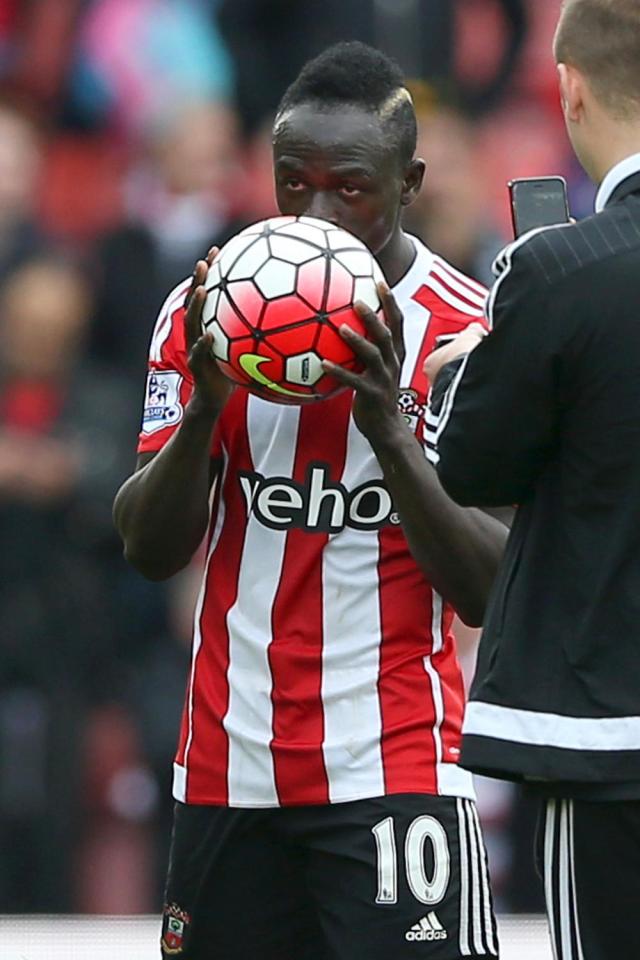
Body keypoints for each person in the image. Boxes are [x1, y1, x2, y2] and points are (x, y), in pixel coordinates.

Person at [114, 42, 508, 960]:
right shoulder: (203, 311)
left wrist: (390, 434)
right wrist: (207, 408)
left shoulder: (469, 332)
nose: (320, 214)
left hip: (396, 767)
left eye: (352, 189)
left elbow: (494, 585)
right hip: (226, 768)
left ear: (409, 182)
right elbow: (146, 546)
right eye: (295, 185)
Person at [424, 2, 640, 958]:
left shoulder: (558, 268)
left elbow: (469, 464)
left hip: (603, 723)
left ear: (572, 89)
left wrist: (454, 375)